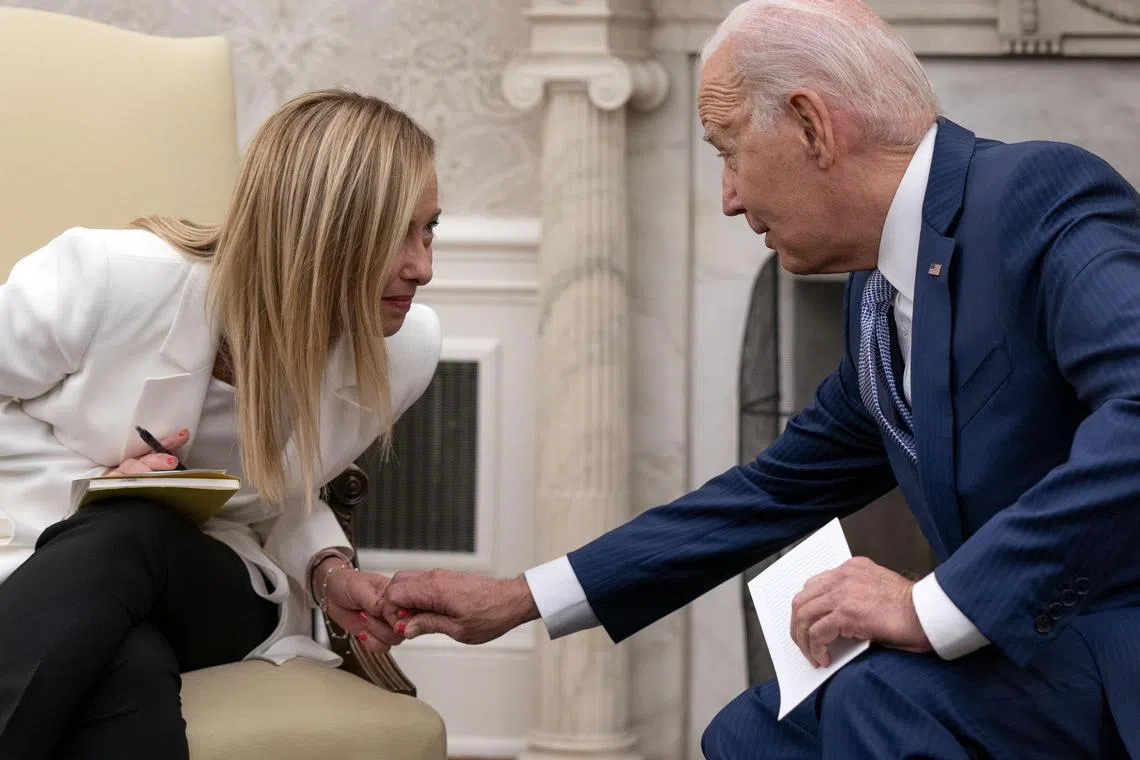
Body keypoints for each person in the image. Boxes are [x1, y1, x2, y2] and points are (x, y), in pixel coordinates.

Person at [376, 1, 1140, 757]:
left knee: (876, 698)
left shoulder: (1039, 196)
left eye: (728, 150)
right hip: (1025, 657)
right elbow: (772, 490)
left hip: (1110, 650)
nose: (730, 196)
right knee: (748, 734)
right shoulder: (878, 294)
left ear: (812, 125)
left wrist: (930, 606)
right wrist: (518, 599)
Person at [0, 89, 442, 759]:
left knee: (134, 532)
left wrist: (328, 570)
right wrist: (92, 484)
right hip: (35, 561)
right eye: (398, 234)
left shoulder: (404, 350)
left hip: (225, 591)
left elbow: (292, 497)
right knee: (127, 668)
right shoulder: (111, 279)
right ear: (317, 229)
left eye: (429, 228)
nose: (424, 268)